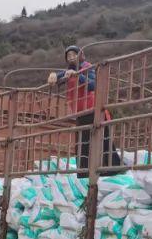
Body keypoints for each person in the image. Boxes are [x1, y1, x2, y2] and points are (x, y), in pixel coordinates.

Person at [47, 46, 117, 174]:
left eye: (74, 54)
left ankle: (111, 170)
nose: (71, 57)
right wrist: (54, 76)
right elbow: (61, 75)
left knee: (103, 141)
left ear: (81, 55)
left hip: (94, 109)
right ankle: (84, 173)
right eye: (68, 56)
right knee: (82, 144)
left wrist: (78, 76)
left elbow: (93, 85)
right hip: (81, 112)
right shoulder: (70, 71)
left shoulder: (87, 67)